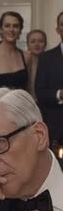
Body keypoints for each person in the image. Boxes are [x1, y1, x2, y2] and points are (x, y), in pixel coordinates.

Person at [35, 11, 63, 146]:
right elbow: (40, 92)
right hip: (57, 127)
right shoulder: (46, 58)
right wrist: (59, 94)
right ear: (58, 29)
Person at [0, 11, 30, 90]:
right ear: (0, 29)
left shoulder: (27, 56)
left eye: (15, 26)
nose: (11, 30)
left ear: (20, 30)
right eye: (7, 26)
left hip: (22, 98)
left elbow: (30, 88)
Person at [26, 29, 47, 98]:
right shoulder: (23, 64)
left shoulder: (52, 64)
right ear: (27, 45)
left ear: (45, 44)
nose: (37, 44)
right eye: (32, 41)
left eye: (40, 41)